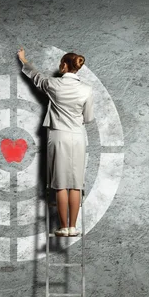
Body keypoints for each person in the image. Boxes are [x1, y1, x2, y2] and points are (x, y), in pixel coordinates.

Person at [17, 47, 94, 237]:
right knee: (76, 184)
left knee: (60, 183)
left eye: (62, 63)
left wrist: (24, 61)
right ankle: (73, 227)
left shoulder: (53, 84)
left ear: (65, 65)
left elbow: (36, 77)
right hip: (77, 137)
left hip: (58, 136)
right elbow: (89, 117)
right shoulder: (86, 90)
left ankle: (63, 227)